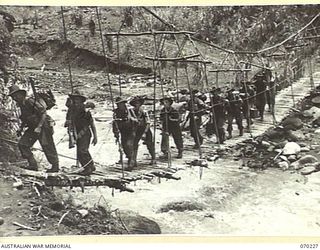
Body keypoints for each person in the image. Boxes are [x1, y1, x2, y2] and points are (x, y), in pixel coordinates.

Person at [8, 84, 59, 172]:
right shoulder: (21, 105)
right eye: (13, 96)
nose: (14, 98)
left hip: (43, 126)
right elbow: (25, 117)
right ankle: (33, 165)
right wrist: (21, 129)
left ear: (21, 94)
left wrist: (39, 127)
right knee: (23, 144)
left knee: (47, 145)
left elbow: (43, 113)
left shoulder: (30, 101)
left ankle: (55, 166)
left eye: (16, 95)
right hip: (33, 127)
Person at [66, 90, 97, 175]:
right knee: (79, 153)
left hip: (85, 133)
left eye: (77, 99)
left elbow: (91, 124)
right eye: (74, 99)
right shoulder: (71, 110)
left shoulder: (85, 110)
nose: (76, 101)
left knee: (83, 151)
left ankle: (88, 168)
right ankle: (90, 166)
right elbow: (67, 121)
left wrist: (95, 136)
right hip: (76, 133)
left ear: (81, 100)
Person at [112, 96, 138, 170]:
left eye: (120, 104)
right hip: (123, 131)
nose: (119, 105)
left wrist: (129, 119)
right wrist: (115, 133)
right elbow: (114, 123)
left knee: (129, 145)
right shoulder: (116, 112)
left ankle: (131, 163)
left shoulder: (129, 111)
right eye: (118, 104)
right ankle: (131, 159)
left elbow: (136, 120)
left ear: (124, 104)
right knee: (124, 147)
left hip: (131, 130)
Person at [129, 96, 156, 165]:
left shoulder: (144, 112)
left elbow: (148, 122)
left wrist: (145, 132)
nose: (137, 105)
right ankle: (133, 160)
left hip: (144, 128)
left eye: (138, 103)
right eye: (135, 103)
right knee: (134, 144)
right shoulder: (131, 112)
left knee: (149, 143)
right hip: (136, 130)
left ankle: (153, 158)